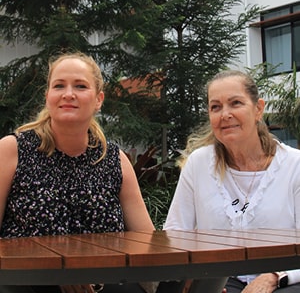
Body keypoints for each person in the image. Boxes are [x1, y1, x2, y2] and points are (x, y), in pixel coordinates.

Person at [0, 52, 154, 293]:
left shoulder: (115, 160)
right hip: (27, 283)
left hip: (106, 285)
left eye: (80, 86)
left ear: (98, 99)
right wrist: (59, 269)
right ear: (48, 96)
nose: (68, 94)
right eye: (59, 85)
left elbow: (147, 242)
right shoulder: (12, 150)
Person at [164, 69, 300, 293]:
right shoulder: (198, 164)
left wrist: (274, 277)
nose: (225, 114)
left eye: (235, 103)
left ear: (258, 109)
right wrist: (194, 277)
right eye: (215, 107)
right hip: (220, 278)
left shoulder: (294, 166)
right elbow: (176, 233)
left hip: (285, 278)